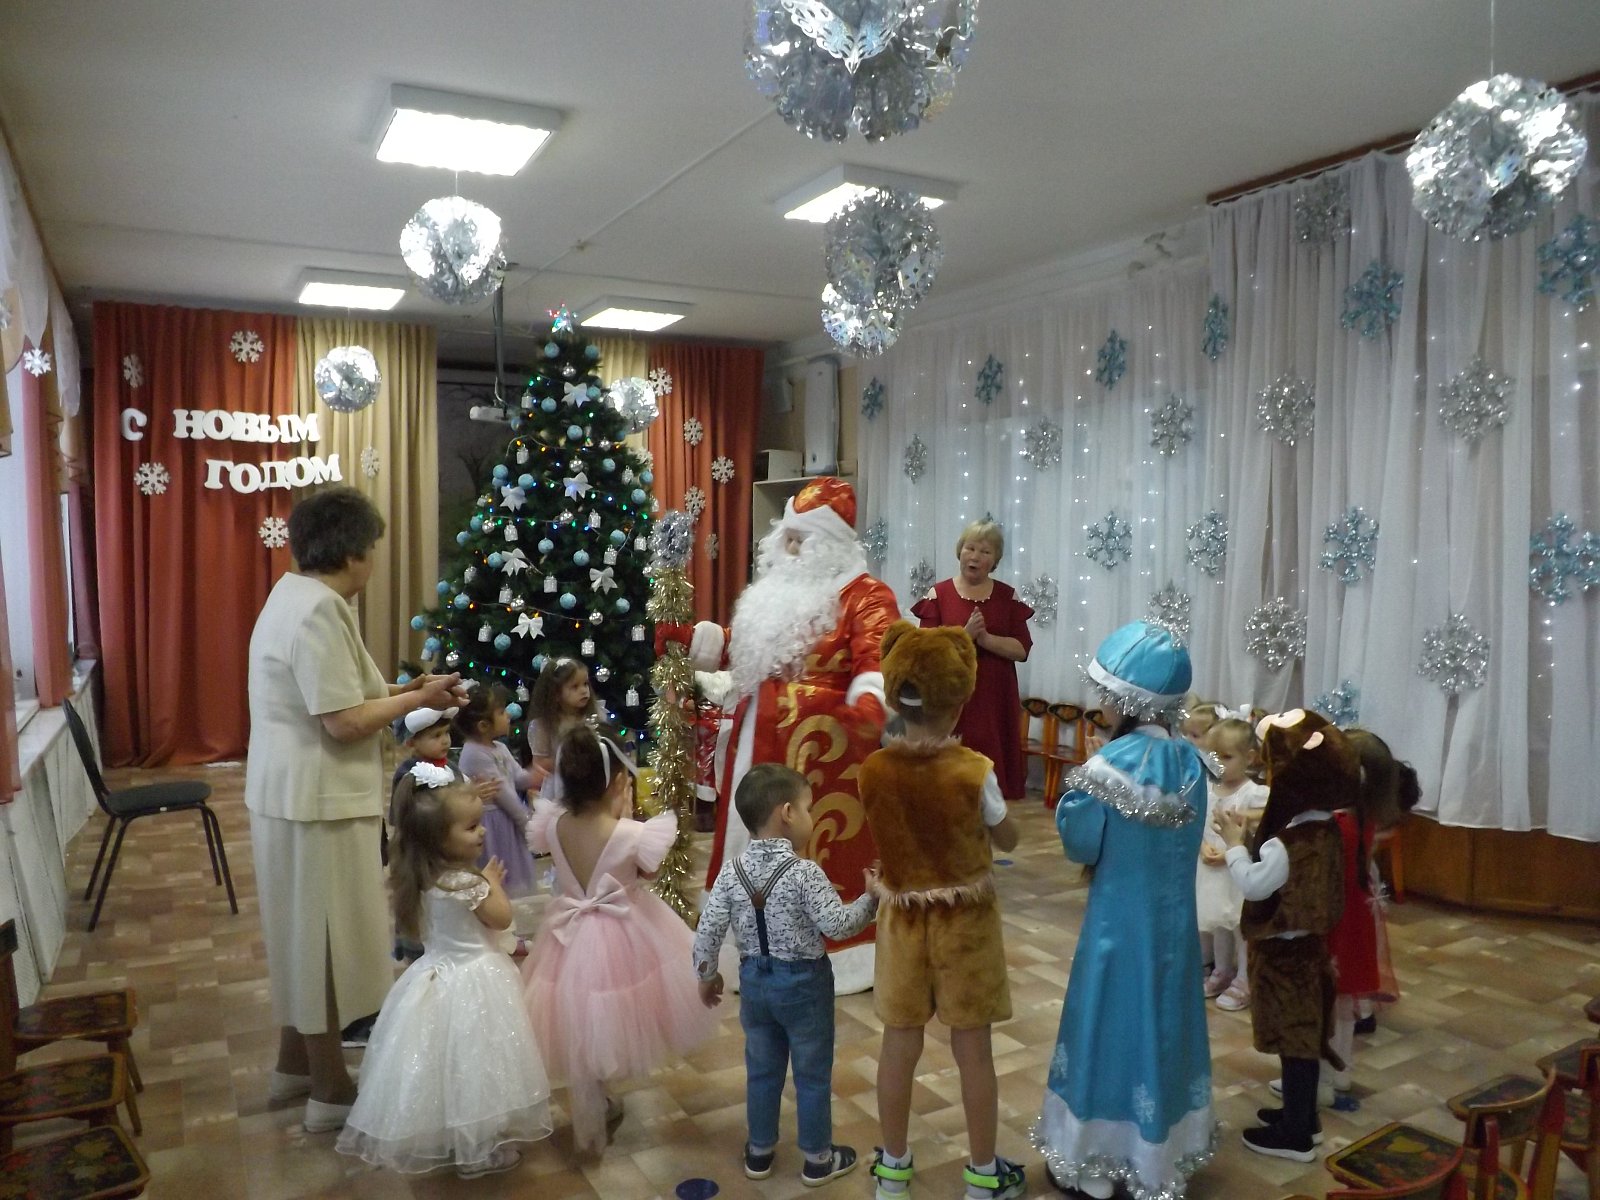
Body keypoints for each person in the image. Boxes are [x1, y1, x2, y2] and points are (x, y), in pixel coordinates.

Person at [246, 486, 467, 1133]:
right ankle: (329, 1089)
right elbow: (343, 720)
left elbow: (346, 690)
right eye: (371, 547)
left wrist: (413, 689)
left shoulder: (295, 595)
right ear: (351, 552)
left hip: (294, 797)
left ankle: (294, 1066)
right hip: (315, 802)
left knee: (302, 933)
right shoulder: (319, 609)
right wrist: (415, 703)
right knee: (322, 942)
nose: (374, 558)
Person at [679, 477, 899, 994]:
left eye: (801, 539)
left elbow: (880, 658)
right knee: (750, 836)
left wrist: (870, 700)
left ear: (829, 543)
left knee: (815, 851)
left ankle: (836, 952)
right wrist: (697, 640)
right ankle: (747, 943)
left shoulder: (865, 595)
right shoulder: (777, 593)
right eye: (788, 537)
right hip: (758, 737)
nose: (790, 548)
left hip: (823, 751)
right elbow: (749, 645)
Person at [1035, 620, 1214, 1200]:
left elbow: (1081, 845)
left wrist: (1077, 798)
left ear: (1125, 700)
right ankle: (1159, 1154)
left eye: (1105, 694)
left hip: (1115, 930)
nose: (1101, 705)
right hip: (1174, 933)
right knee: (1162, 1025)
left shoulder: (1105, 768)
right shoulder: (1193, 765)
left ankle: (1093, 1157)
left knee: (1106, 1026)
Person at [861, 622, 1025, 1200]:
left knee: (898, 1043)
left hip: (901, 922)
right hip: (966, 925)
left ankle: (893, 1171)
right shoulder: (974, 770)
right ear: (959, 702)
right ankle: (982, 1175)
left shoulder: (872, 771)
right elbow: (1008, 839)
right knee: (973, 1049)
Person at [335, 767, 551, 1177]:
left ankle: (459, 1137)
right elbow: (501, 919)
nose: (481, 832)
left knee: (448, 1063)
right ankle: (479, 1151)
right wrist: (491, 883)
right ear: (438, 838)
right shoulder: (467, 884)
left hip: (435, 975)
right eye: (470, 827)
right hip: (475, 979)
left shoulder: (422, 878)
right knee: (479, 1063)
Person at [521, 728, 715, 1153]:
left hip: (568, 933)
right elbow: (650, 873)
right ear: (614, 782)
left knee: (581, 1015)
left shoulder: (553, 824)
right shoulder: (631, 833)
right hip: (623, 931)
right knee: (610, 1012)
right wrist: (626, 815)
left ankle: (595, 1098)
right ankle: (600, 1101)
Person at [692, 764, 879, 1187]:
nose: (812, 817)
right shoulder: (805, 873)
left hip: (755, 985)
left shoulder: (731, 872)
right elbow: (837, 925)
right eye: (809, 808)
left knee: (762, 1070)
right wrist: (869, 901)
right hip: (804, 987)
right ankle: (817, 1159)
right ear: (788, 813)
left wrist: (707, 975)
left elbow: (708, 930)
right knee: (811, 1073)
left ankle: (759, 1152)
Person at [1216, 709, 1358, 1163]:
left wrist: (1234, 845)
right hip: (1312, 949)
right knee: (1302, 1044)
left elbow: (1255, 885)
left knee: (1294, 1044)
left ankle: (1297, 1135)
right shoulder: (1328, 826)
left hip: (1286, 954)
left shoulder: (1287, 842)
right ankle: (1303, 1119)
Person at [1321, 729, 1418, 1094]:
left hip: (1336, 918)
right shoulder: (1363, 817)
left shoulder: (1337, 825)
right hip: (1356, 916)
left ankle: (1322, 1076)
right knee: (1343, 1001)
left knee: (1328, 1002)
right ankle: (1340, 1071)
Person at [910, 520, 1033, 801]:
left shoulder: (1007, 596)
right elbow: (926, 652)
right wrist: (965, 637)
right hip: (952, 697)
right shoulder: (939, 595)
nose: (975, 556)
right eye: (970, 548)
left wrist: (986, 639)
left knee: (991, 785)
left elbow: (1022, 649)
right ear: (960, 551)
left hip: (995, 698)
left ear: (995, 560)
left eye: (985, 551)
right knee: (950, 785)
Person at [1198, 718, 1268, 1012]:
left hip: (1237, 873)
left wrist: (1230, 852)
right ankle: (1222, 970)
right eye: (1212, 756)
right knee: (1217, 923)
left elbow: (1265, 825)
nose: (1218, 764)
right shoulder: (1206, 788)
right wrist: (1202, 846)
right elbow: (1197, 822)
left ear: (1249, 758)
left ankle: (1244, 979)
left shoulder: (1253, 794)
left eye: (1226, 757)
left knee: (1240, 927)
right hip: (1210, 870)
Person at [456, 685, 540, 898]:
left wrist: (535, 775)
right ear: (483, 725)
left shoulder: (499, 748)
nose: (508, 716)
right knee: (499, 872)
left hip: (506, 818)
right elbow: (502, 793)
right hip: (493, 822)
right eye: (501, 712)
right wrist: (526, 823)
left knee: (513, 872)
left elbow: (517, 777)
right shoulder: (474, 753)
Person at [526, 657, 603, 795]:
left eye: (585, 684)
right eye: (575, 687)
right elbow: (539, 763)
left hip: (591, 784)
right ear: (555, 693)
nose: (584, 691)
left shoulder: (592, 718)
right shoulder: (543, 725)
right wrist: (572, 762)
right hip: (559, 787)